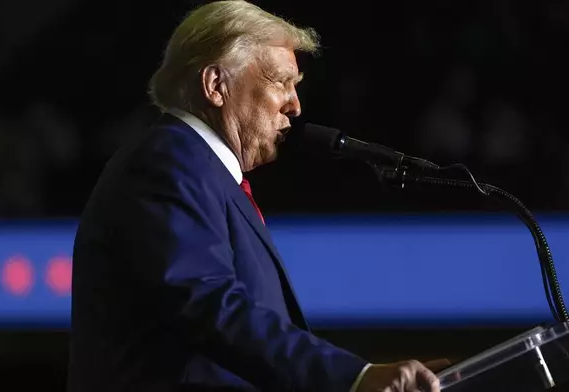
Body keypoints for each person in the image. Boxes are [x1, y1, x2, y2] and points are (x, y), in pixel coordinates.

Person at [67, 1, 448, 391]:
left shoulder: (202, 173)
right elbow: (209, 303)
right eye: (281, 81)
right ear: (216, 85)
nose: (296, 106)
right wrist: (355, 378)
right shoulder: (167, 161)